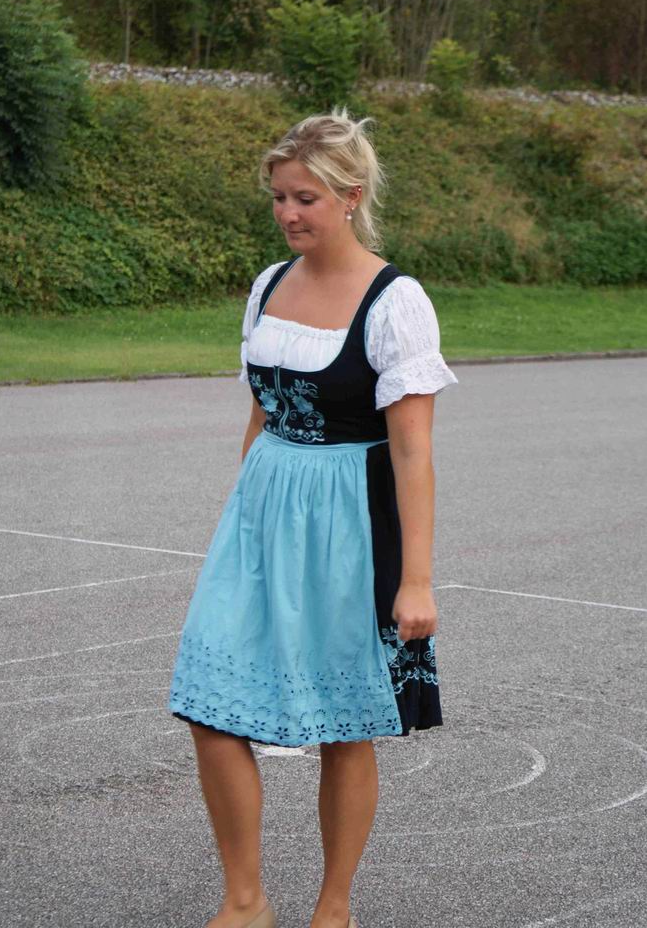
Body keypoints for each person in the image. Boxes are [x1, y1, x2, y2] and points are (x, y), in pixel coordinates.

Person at [168, 106, 459, 928]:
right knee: (208, 703)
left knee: (342, 723)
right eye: (279, 197)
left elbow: (412, 453)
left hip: (349, 521)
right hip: (263, 512)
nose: (288, 213)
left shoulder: (395, 302)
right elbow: (260, 412)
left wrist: (415, 581)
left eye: (305, 198)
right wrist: (242, 513)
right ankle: (245, 900)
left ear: (350, 197)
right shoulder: (268, 285)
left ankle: (333, 909)